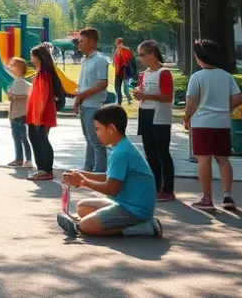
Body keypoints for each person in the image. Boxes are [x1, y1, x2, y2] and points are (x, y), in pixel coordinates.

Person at [57, 105, 162, 238]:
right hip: (126, 204)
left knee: (86, 225)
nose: (96, 133)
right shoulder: (122, 147)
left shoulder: (121, 153)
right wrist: (81, 174)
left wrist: (82, 182)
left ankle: (145, 227)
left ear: (111, 128)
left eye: (98, 129)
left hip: (135, 210)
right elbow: (110, 177)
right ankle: (128, 223)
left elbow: (112, 189)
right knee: (82, 207)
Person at [184, 39, 242, 211]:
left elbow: (192, 101)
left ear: (199, 57)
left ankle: (207, 199)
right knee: (223, 160)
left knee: (203, 160)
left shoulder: (197, 77)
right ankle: (227, 196)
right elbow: (235, 99)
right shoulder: (226, 76)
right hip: (223, 123)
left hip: (202, 123)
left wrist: (187, 117)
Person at [134, 40, 176, 202]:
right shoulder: (143, 74)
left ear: (152, 54)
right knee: (150, 153)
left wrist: (146, 96)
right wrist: (140, 94)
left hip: (160, 117)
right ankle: (155, 186)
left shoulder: (164, 73)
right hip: (145, 114)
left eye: (143, 54)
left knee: (162, 153)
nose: (141, 58)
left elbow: (167, 97)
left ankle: (168, 189)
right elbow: (144, 94)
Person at [73, 28, 110, 172]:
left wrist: (83, 95)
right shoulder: (85, 60)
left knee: (96, 141)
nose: (79, 44)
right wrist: (78, 99)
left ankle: (100, 171)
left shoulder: (100, 60)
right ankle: (89, 167)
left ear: (92, 42)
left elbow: (103, 83)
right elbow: (83, 84)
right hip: (84, 105)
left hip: (93, 106)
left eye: (82, 41)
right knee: (89, 139)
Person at [26, 45, 63, 181]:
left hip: (41, 113)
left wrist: (39, 115)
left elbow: (44, 96)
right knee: (34, 138)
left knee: (42, 140)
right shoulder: (40, 72)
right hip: (35, 113)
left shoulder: (45, 74)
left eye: (33, 57)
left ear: (38, 57)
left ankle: (47, 169)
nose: (32, 59)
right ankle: (41, 168)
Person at [5, 57, 33, 169]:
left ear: (19, 69)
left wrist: (12, 94)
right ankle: (20, 159)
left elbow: (14, 96)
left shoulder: (21, 83)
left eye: (13, 65)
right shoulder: (18, 82)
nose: (10, 67)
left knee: (22, 138)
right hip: (15, 114)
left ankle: (27, 159)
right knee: (18, 138)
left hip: (19, 115)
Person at [112, 38, 135, 105]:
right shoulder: (116, 50)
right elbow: (115, 60)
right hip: (118, 73)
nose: (117, 44)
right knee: (117, 89)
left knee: (125, 90)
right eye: (116, 42)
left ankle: (128, 99)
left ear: (121, 43)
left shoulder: (125, 49)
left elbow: (128, 59)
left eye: (118, 42)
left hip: (125, 73)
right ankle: (119, 103)